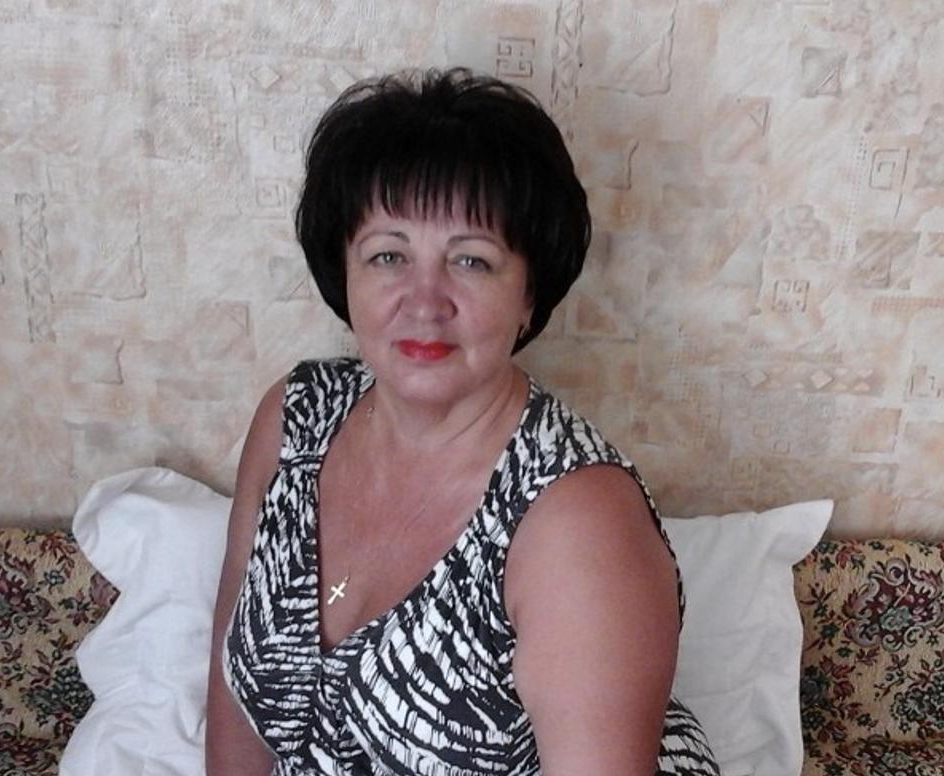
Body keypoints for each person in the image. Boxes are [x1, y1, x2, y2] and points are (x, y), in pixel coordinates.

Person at [206, 67, 720, 775]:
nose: (425, 301)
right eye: (388, 255)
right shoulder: (296, 419)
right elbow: (235, 683)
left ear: (529, 294)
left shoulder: (579, 522)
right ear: (344, 273)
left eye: (472, 261)